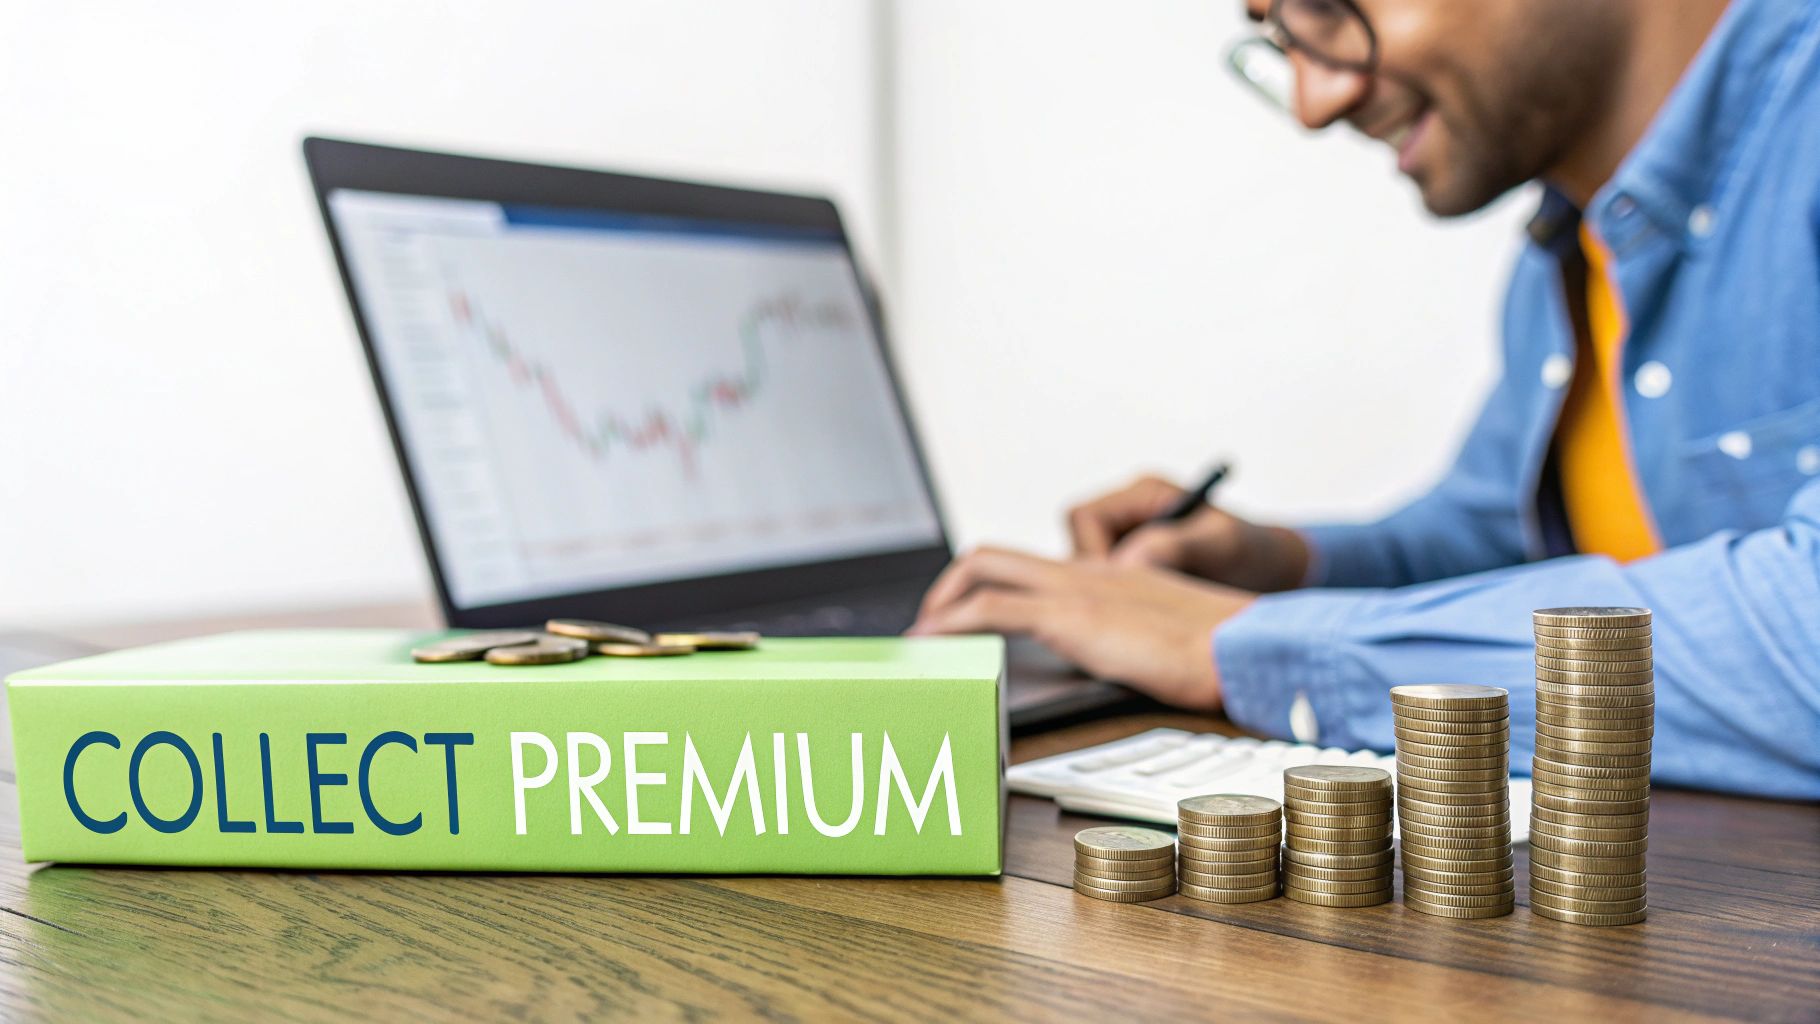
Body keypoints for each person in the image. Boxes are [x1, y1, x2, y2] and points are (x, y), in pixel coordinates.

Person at [908, 0, 1820, 800]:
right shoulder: (1568, 251)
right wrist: (1282, 564)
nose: (1315, 102)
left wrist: (1244, 644)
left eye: (1325, 11)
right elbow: (1496, 541)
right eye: (1281, 42)